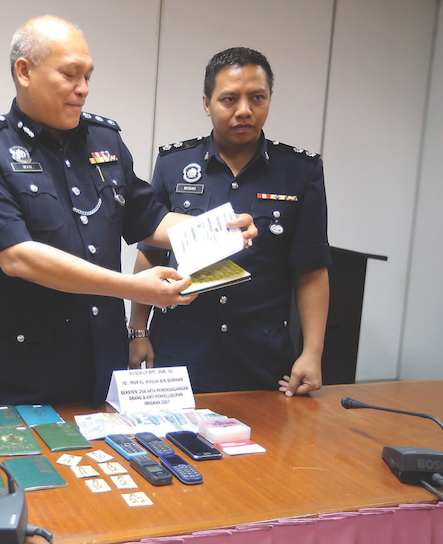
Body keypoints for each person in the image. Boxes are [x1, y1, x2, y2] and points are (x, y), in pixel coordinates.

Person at [0, 16, 256, 407]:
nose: (83, 90)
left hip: (103, 358)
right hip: (27, 364)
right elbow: (17, 257)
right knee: (33, 468)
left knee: (106, 465)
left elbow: (150, 219)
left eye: (88, 77)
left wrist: (219, 228)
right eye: (70, 75)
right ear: (24, 72)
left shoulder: (105, 140)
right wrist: (134, 288)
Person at [128, 47, 330, 397]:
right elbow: (151, 252)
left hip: (261, 352)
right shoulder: (174, 163)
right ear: (206, 103)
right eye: (229, 99)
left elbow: (310, 269)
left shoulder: (301, 171)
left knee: (266, 450)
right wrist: (138, 330)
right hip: (180, 346)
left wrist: (313, 353)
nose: (244, 111)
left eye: (257, 98)